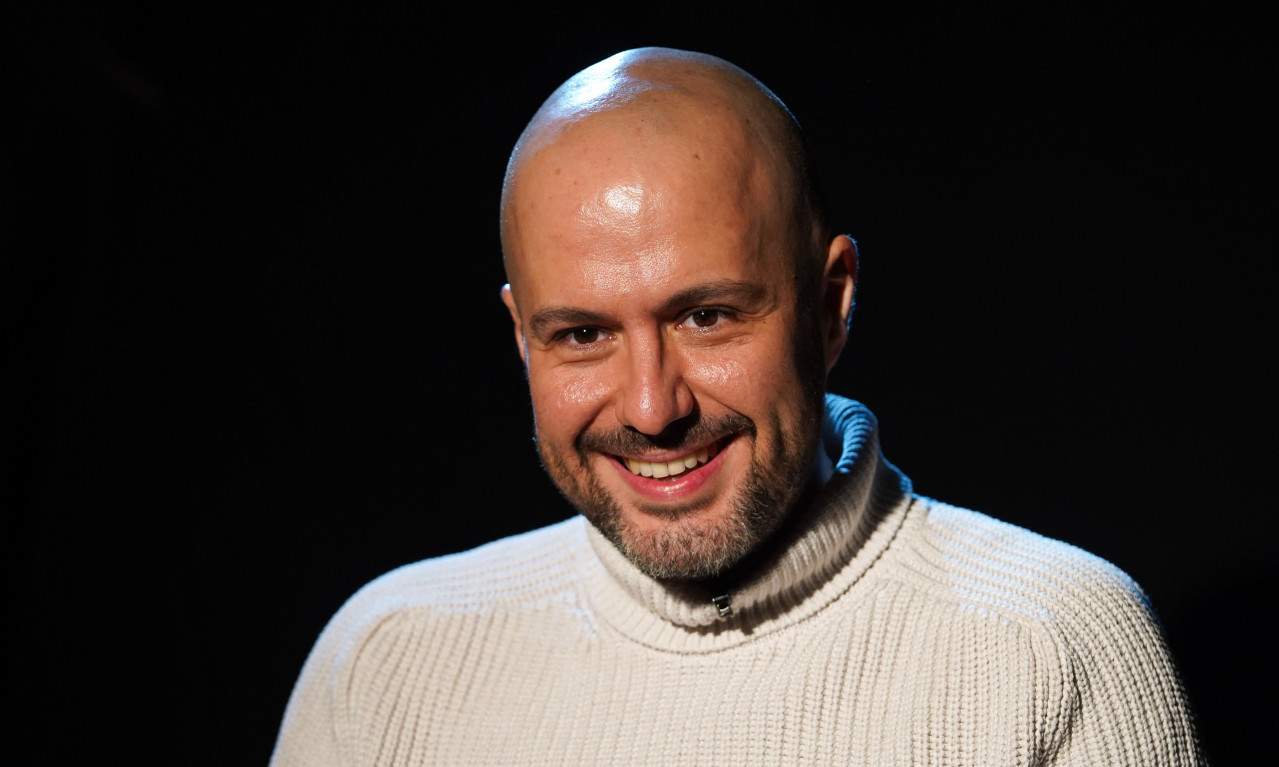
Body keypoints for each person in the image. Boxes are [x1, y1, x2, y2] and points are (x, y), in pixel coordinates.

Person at [271, 48, 1202, 765]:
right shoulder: (386, 661)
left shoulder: (1048, 643)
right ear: (522, 337)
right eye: (582, 334)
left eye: (707, 316)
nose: (651, 408)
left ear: (831, 303)